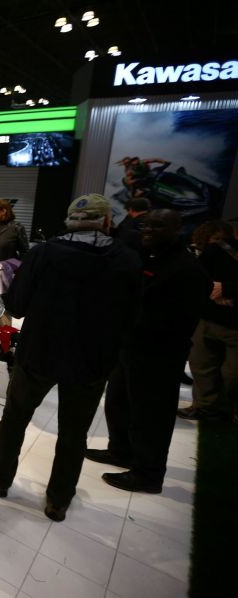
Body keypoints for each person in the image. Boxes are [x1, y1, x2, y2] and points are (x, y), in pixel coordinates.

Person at [0, 194, 142, 522]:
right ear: (106, 222)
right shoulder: (127, 260)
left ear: (69, 220)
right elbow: (133, 319)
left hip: (38, 353)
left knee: (15, 419)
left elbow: (17, 306)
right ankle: (58, 500)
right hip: (91, 362)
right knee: (73, 433)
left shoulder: (43, 254)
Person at [86, 210, 210, 493]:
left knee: (151, 415)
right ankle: (121, 450)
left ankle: (148, 474)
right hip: (131, 347)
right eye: (146, 225)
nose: (148, 230)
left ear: (177, 228)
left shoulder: (186, 269)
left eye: (157, 226)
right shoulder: (150, 257)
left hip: (158, 355)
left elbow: (177, 319)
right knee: (119, 401)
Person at [178, 220, 238, 422]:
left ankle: (228, 409)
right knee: (202, 366)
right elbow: (196, 276)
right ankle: (204, 407)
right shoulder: (216, 250)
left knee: (233, 375)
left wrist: (228, 288)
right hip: (208, 317)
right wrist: (211, 290)